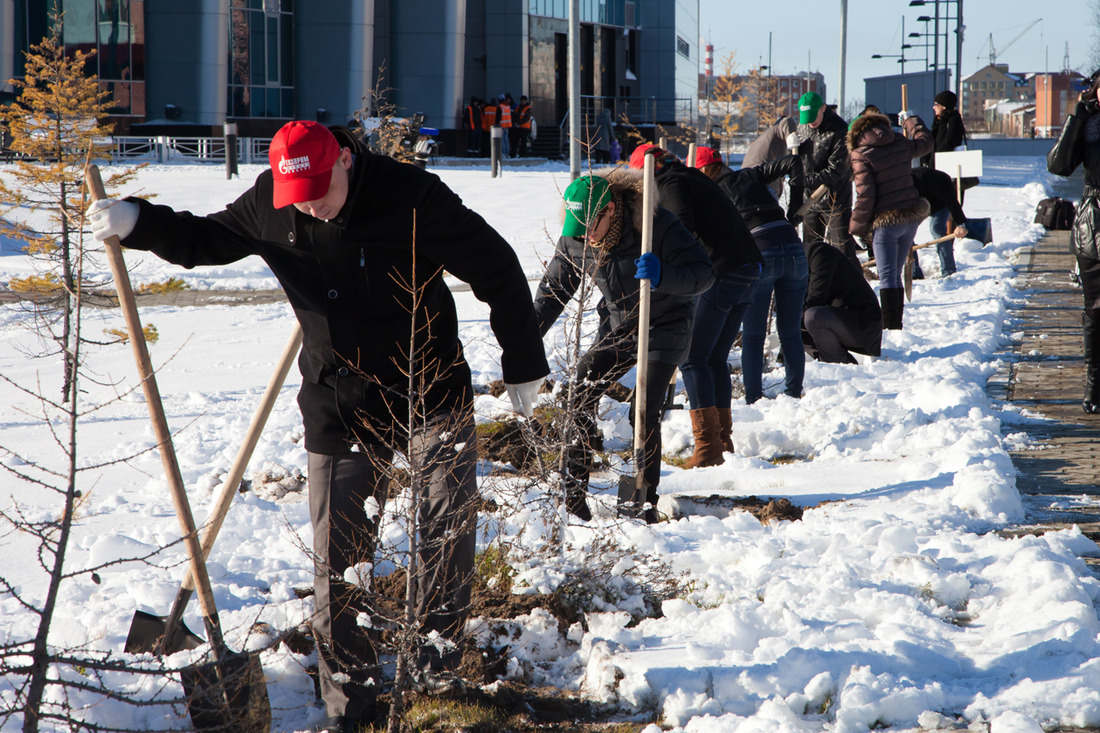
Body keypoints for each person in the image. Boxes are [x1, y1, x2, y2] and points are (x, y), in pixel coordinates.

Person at [87, 121, 550, 733]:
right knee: (337, 560)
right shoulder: (273, 202)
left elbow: (498, 268)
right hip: (339, 401)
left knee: (446, 530)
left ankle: (436, 666)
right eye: (294, 192)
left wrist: (522, 363)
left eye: (317, 188)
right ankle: (350, 702)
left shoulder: (412, 196)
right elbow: (205, 239)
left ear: (347, 163)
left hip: (430, 390)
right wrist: (138, 222)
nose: (307, 203)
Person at [532, 169, 714, 521]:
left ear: (611, 211)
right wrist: (524, 336)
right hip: (620, 324)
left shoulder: (655, 225)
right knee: (579, 390)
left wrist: (664, 275)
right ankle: (574, 499)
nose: (586, 237)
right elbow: (553, 292)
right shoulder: (577, 236)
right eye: (578, 230)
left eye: (591, 228)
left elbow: (703, 273)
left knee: (643, 408)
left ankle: (643, 500)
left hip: (665, 324)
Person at [629, 143, 762, 467]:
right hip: (748, 269)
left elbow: (682, 227)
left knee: (691, 358)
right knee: (713, 359)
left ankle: (708, 449)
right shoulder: (691, 177)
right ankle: (722, 442)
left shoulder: (671, 183)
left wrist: (667, 268)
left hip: (724, 271)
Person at [693, 146, 808, 407]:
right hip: (793, 250)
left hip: (761, 253)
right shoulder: (751, 175)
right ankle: (793, 394)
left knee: (754, 334)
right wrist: (795, 206)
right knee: (790, 331)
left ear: (705, 171)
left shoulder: (713, 194)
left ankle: (754, 398)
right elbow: (792, 160)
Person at [846, 109, 933, 329]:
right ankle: (895, 326)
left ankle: (890, 328)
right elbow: (925, 142)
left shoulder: (860, 154)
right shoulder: (900, 142)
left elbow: (865, 195)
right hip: (910, 218)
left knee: (888, 276)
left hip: (886, 223)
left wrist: (856, 228)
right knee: (894, 274)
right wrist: (911, 120)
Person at [1047, 69, 1100, 413]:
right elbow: (1059, 165)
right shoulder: (1090, 125)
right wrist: (1078, 115)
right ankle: (1095, 383)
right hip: (1096, 227)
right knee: (1096, 311)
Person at [787, 92, 860, 268]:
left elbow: (835, 171)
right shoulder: (803, 127)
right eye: (807, 118)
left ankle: (854, 289)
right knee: (810, 252)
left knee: (843, 251)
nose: (811, 122)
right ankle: (812, 290)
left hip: (835, 200)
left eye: (814, 116)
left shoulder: (840, 130)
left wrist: (804, 180)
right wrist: (790, 151)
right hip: (810, 202)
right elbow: (798, 163)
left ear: (823, 108)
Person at [802, 239, 883, 363]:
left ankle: (837, 363)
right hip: (838, 319)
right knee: (794, 322)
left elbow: (816, 298)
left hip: (862, 322)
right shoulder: (794, 265)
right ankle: (833, 360)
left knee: (812, 317)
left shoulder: (818, 253)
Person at [910, 166, 970, 277]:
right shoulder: (899, 187)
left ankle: (949, 270)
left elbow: (951, 200)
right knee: (907, 232)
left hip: (940, 202)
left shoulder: (930, 179)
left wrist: (960, 223)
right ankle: (914, 273)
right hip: (919, 203)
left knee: (936, 228)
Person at [920, 90, 976, 200]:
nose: (933, 107)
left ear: (944, 106)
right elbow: (933, 142)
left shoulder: (954, 120)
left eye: (936, 104)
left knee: (949, 202)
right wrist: (925, 158)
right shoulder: (939, 121)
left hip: (948, 169)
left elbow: (948, 143)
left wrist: (935, 160)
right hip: (936, 168)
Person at [743, 115, 798, 198]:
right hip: (762, 183)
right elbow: (786, 121)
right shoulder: (778, 129)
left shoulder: (767, 138)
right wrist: (792, 138)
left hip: (745, 183)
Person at [497, 94, 513, 158]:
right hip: (507, 125)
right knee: (506, 139)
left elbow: (498, 117)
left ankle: (503, 153)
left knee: (502, 140)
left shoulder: (500, 107)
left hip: (502, 125)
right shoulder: (508, 106)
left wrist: (496, 124)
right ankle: (507, 153)